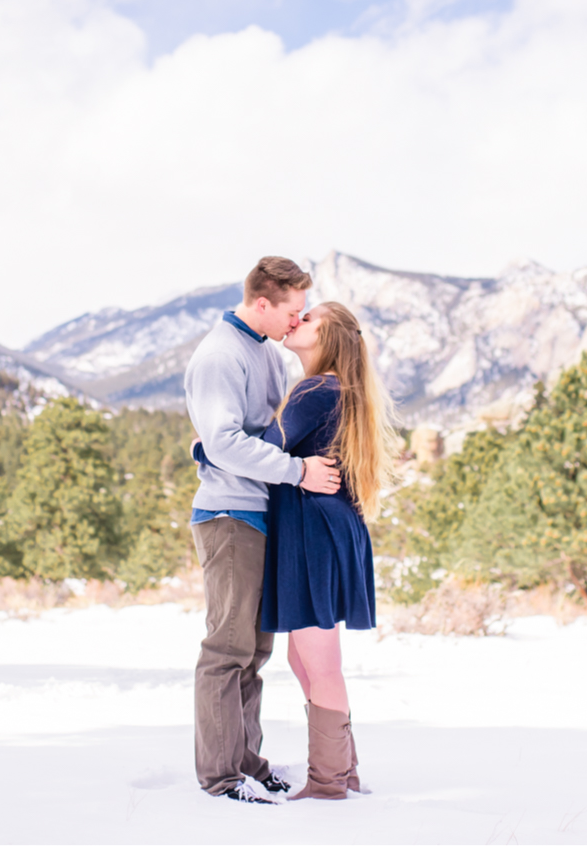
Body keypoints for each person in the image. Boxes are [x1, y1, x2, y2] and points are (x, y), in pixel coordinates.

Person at [184, 256, 343, 805]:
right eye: (292, 311)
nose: (296, 321)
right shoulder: (221, 355)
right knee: (227, 649)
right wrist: (298, 472)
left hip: (262, 513)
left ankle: (247, 762)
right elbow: (226, 441)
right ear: (261, 303)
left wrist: (210, 449)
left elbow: (264, 433)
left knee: (253, 652)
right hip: (231, 514)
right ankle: (220, 777)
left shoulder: (266, 352)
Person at [257, 301, 396, 800]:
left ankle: (329, 781)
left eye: (309, 318)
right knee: (303, 659)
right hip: (325, 529)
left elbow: (265, 448)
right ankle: (343, 770)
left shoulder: (316, 390)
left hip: (313, 534)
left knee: (319, 663)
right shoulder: (336, 388)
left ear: (329, 337)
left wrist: (204, 446)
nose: (298, 321)